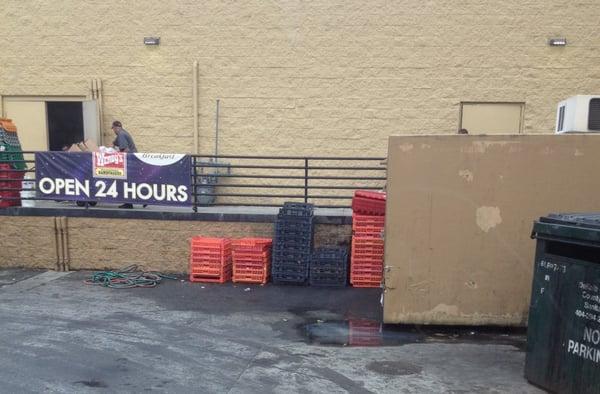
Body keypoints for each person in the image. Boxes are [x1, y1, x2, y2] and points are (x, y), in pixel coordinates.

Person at [110, 120, 143, 209]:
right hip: (133, 160)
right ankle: (142, 199)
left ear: (116, 128)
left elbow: (125, 150)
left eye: (113, 129)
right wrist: (112, 146)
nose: (113, 131)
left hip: (130, 161)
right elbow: (115, 142)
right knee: (132, 182)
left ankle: (129, 204)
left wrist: (115, 154)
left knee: (127, 183)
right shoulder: (123, 133)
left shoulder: (121, 134)